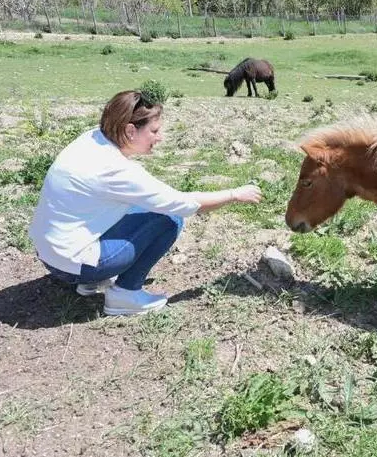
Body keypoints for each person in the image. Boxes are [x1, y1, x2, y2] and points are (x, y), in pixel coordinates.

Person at [28, 90, 262, 316]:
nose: (159, 138)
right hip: (73, 264)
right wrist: (234, 193)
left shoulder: (91, 139)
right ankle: (125, 295)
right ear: (130, 130)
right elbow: (184, 204)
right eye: (154, 131)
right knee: (169, 219)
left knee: (134, 209)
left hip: (50, 254)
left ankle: (91, 282)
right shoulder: (116, 170)